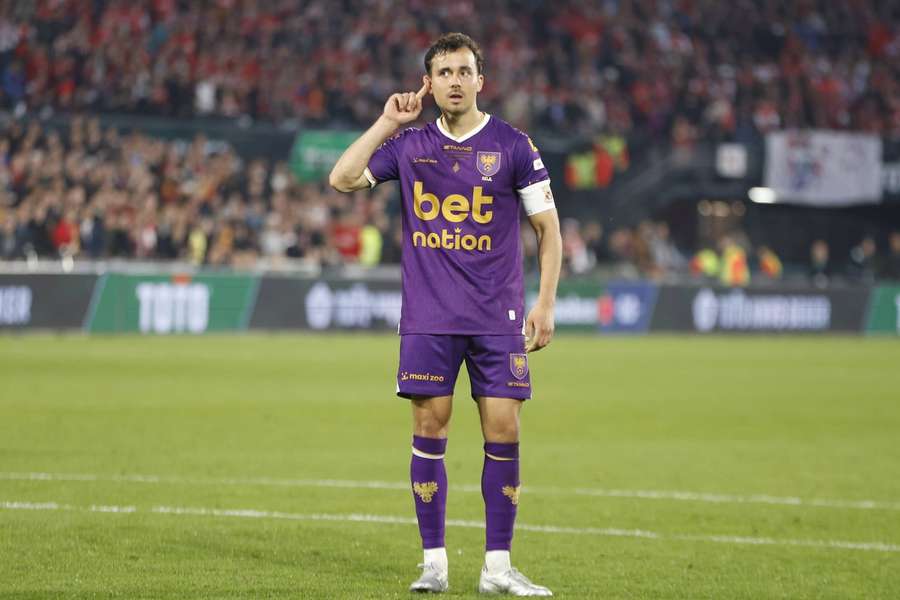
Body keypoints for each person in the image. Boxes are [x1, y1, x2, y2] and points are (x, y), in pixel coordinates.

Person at [329, 32, 561, 596]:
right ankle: (433, 564)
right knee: (429, 429)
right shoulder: (408, 146)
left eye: (464, 71)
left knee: (503, 430)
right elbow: (341, 178)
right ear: (427, 84)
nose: (455, 81)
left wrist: (546, 301)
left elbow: (548, 230)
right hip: (430, 316)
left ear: (482, 80)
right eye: (444, 72)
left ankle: (498, 569)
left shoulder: (512, 145)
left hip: (495, 318)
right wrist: (386, 123)